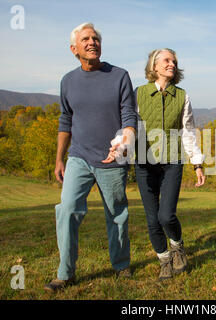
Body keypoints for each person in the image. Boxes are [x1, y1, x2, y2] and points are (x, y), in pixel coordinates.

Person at [44, 22, 137, 292]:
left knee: (117, 214)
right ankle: (65, 273)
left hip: (112, 159)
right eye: (85, 39)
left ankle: (121, 266)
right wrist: (59, 158)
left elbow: (129, 114)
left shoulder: (119, 75)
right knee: (68, 210)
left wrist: (124, 141)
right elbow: (65, 119)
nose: (92, 42)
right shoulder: (68, 81)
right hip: (79, 157)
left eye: (95, 38)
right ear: (74, 49)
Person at [109, 48, 206, 281]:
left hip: (172, 162)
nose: (171, 64)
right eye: (166, 60)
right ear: (154, 66)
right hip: (144, 163)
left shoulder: (183, 96)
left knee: (166, 216)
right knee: (152, 219)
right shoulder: (138, 93)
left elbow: (188, 132)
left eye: (174, 61)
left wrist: (197, 164)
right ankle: (164, 260)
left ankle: (178, 246)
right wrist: (119, 145)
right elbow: (128, 125)